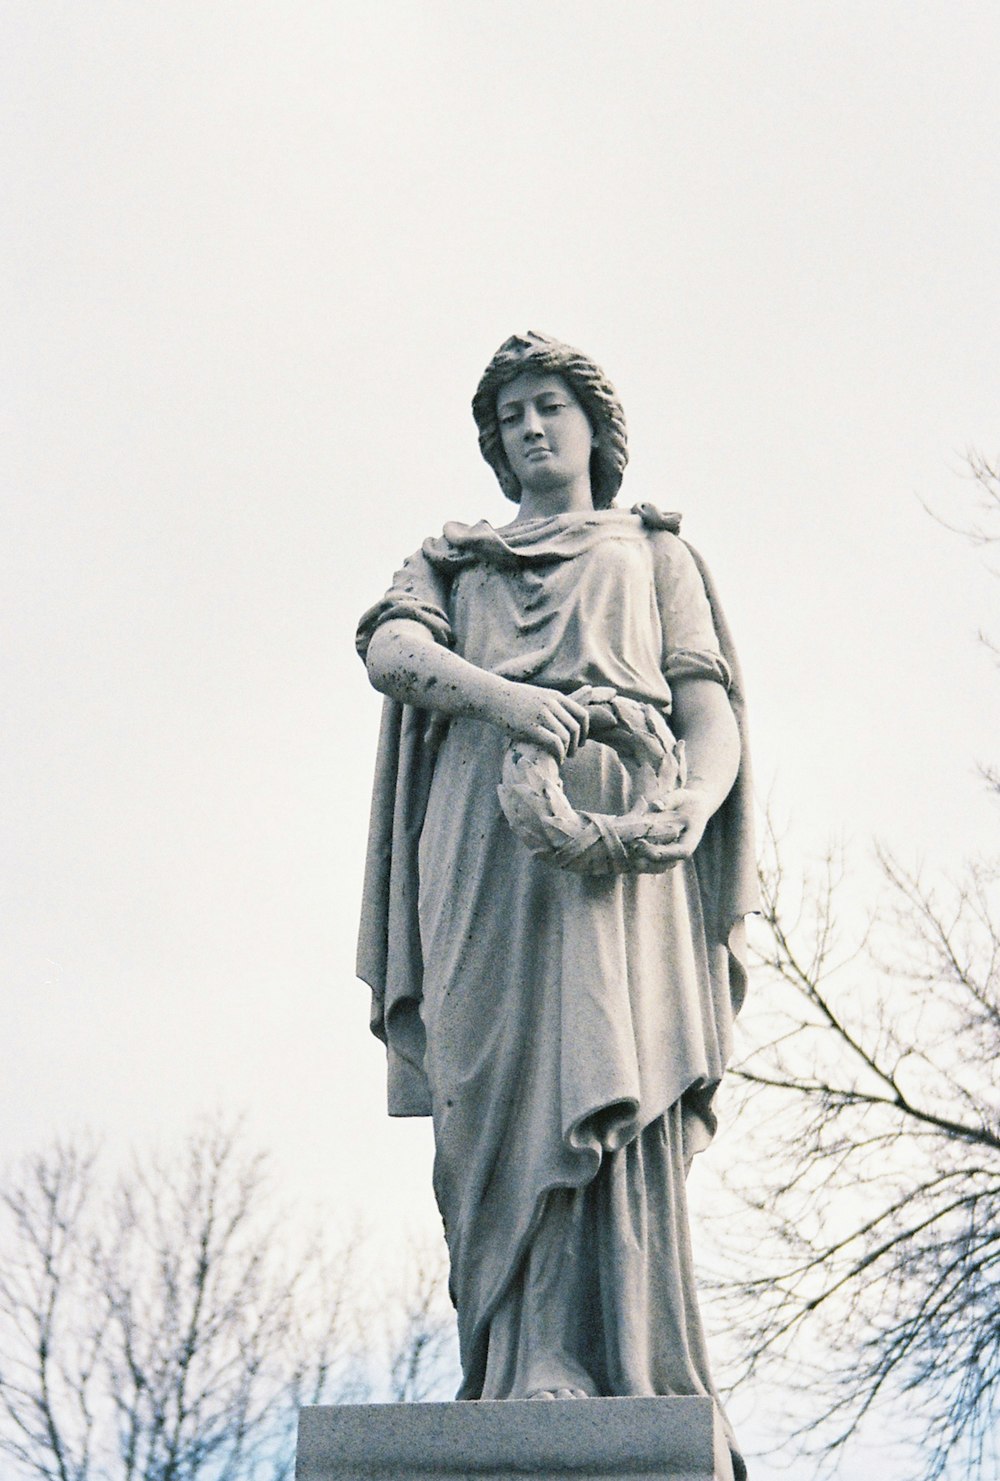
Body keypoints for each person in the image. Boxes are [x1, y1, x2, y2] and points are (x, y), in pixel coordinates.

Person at [356, 333, 756, 1479]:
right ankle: (516, 1345)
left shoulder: (654, 551)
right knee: (493, 1096)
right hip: (480, 846)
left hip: (620, 858)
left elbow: (704, 703)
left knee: (604, 1078)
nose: (529, 429)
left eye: (548, 408)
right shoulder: (456, 558)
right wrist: (511, 705)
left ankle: (605, 1349)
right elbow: (389, 651)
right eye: (510, 417)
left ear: (594, 427)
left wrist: (697, 797)